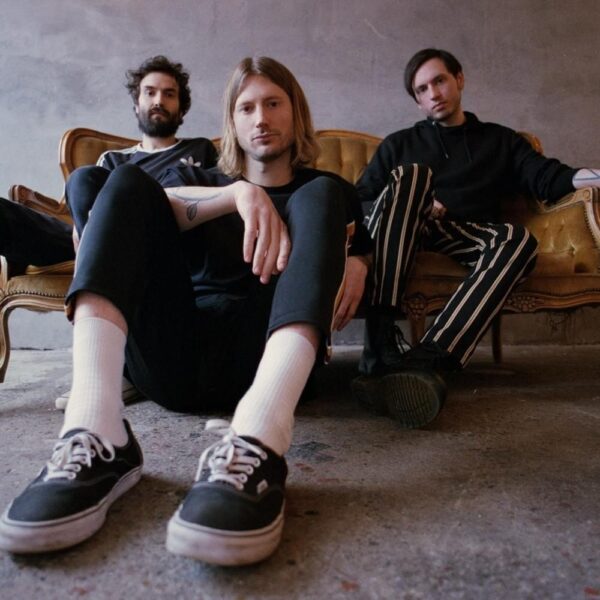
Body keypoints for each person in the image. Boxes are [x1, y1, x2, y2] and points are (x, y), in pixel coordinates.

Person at [0, 56, 371, 567]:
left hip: (263, 358)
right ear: (231, 121)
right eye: (246, 107)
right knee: (124, 182)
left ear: (296, 112)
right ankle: (96, 431)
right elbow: (153, 205)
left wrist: (361, 259)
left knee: (321, 191)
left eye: (273, 103)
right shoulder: (200, 175)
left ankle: (259, 439)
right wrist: (238, 194)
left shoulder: (329, 192)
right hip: (176, 357)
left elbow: (357, 240)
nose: (261, 118)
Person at [352, 47, 600, 429]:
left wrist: (595, 176)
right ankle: (380, 346)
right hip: (404, 229)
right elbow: (362, 200)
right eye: (422, 90)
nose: (433, 93)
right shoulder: (399, 144)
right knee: (413, 177)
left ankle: (428, 359)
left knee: (518, 240)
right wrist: (418, 200)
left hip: (462, 231)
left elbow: (548, 177)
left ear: (459, 80)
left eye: (439, 81)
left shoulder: (500, 141)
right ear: (417, 101)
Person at [0, 54, 217, 270]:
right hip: (103, 239)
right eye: (150, 92)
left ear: (181, 109)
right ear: (137, 104)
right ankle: (97, 262)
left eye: (169, 94)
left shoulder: (200, 149)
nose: (159, 101)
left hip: (169, 242)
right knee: (80, 179)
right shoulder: (113, 159)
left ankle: (97, 266)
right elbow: (91, 213)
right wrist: (82, 228)